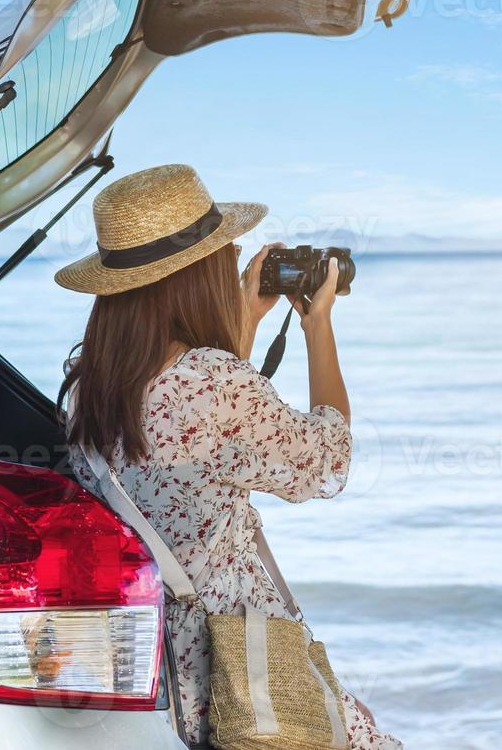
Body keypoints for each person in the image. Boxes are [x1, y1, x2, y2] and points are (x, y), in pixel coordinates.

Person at [54, 163, 400, 750]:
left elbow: (201, 434)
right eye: (224, 253)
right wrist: (318, 327)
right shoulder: (213, 381)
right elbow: (327, 464)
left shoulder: (91, 382)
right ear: (199, 273)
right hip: (240, 650)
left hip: (161, 653)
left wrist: (245, 319)